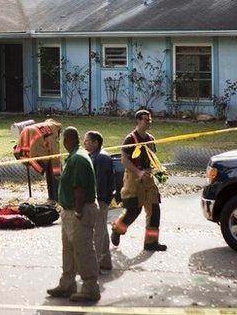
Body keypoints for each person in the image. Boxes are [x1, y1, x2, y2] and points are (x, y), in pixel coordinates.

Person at [47, 127, 100, 302]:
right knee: (69, 249)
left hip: (79, 210)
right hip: (70, 210)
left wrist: (77, 210)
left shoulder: (78, 158)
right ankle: (67, 283)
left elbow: (80, 188)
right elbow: (69, 182)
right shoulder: (74, 156)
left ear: (67, 140)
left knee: (83, 249)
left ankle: (90, 287)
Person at [110, 109, 167, 252]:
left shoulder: (150, 139)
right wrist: (139, 172)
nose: (149, 122)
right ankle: (117, 230)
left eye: (150, 119)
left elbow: (153, 158)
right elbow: (124, 160)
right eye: (146, 119)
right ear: (138, 121)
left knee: (154, 211)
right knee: (134, 210)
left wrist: (158, 172)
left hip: (148, 179)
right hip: (133, 180)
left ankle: (151, 242)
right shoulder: (130, 139)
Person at [83, 131, 115, 271]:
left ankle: (93, 264)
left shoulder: (101, 158)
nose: (85, 143)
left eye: (87, 141)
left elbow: (100, 181)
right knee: (102, 229)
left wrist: (97, 199)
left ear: (96, 142)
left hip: (100, 199)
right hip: (102, 198)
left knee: (98, 232)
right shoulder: (96, 155)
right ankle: (105, 261)